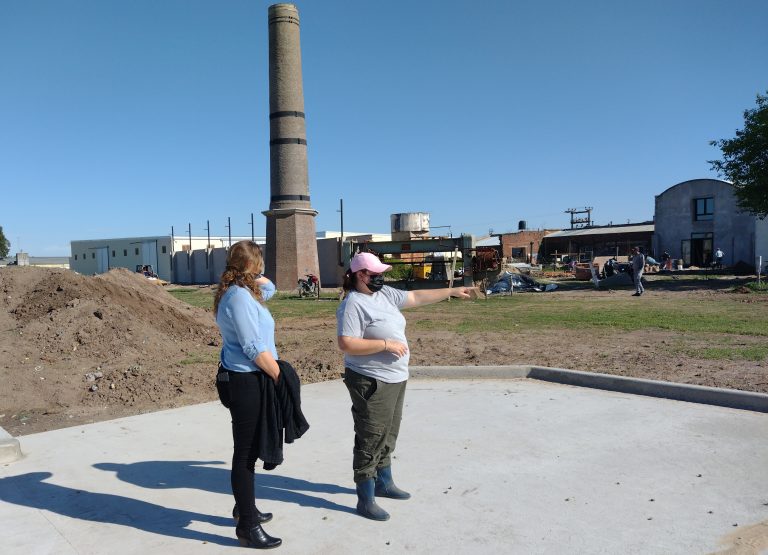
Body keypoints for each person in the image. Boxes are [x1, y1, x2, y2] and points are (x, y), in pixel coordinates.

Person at [336, 252, 473, 522]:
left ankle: (384, 483)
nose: (380, 278)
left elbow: (415, 297)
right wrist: (385, 345)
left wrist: (452, 291)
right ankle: (365, 498)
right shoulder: (353, 304)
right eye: (375, 275)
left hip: (395, 376)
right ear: (360, 275)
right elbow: (347, 343)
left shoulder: (384, 294)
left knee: (389, 432)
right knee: (371, 436)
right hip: (371, 379)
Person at [213, 240, 282, 549]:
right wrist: (281, 376)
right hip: (244, 381)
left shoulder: (245, 292)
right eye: (260, 262)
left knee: (248, 450)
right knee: (245, 454)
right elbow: (253, 347)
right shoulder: (239, 297)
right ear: (254, 264)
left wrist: (252, 275)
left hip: (247, 379)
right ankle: (247, 528)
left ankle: (245, 508)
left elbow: (271, 291)